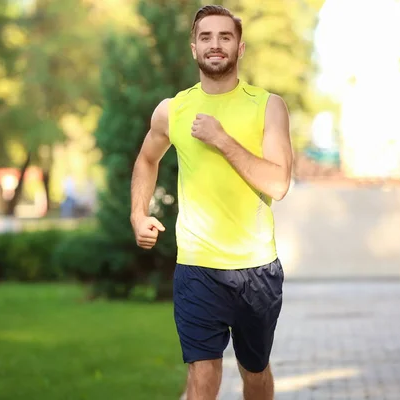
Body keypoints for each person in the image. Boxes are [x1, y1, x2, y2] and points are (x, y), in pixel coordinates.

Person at [130, 5, 293, 400]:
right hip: (197, 267)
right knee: (202, 377)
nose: (215, 45)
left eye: (225, 37)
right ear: (193, 48)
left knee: (254, 372)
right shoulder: (173, 109)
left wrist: (221, 139)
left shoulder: (267, 105)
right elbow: (146, 159)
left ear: (240, 48)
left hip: (255, 268)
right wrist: (138, 214)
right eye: (206, 37)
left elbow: (279, 182)